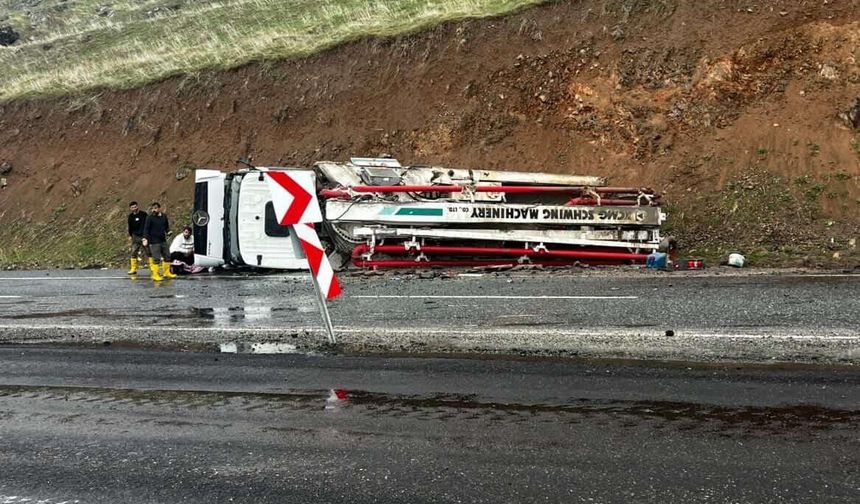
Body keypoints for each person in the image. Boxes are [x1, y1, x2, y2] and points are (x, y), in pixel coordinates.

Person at [142, 202, 177, 281]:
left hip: (162, 240)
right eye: (153, 208)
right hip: (154, 241)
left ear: (159, 208)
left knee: (167, 256)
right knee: (156, 258)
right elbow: (146, 229)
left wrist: (168, 231)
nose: (154, 210)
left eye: (156, 208)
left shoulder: (164, 216)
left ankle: (166, 272)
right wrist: (145, 238)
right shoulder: (150, 218)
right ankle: (155, 274)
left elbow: (166, 227)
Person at [126, 201, 149, 275]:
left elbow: (147, 225)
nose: (134, 208)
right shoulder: (130, 217)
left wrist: (146, 236)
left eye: (135, 206)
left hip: (144, 236)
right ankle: (133, 269)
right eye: (132, 207)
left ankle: (152, 267)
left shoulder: (144, 214)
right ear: (130, 208)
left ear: (137, 206)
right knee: (133, 252)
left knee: (148, 252)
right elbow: (130, 227)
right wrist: (131, 235)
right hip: (135, 237)